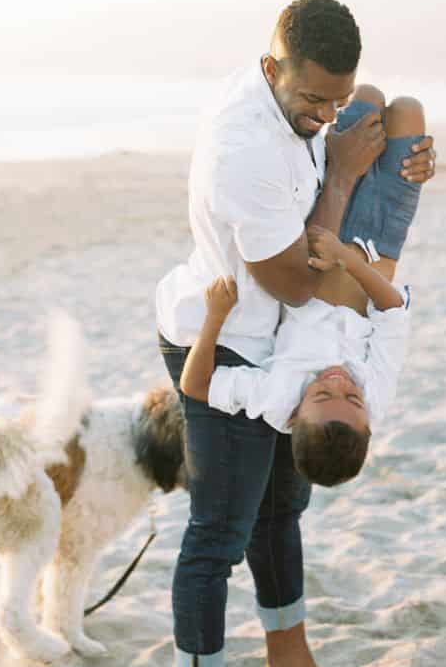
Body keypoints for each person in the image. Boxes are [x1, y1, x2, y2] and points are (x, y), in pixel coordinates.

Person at [154, 0, 435, 667]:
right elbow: (296, 282)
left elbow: (361, 134)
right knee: (217, 536)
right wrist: (345, 174)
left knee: (283, 508)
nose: (326, 113)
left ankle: (289, 665)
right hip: (235, 340)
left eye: (336, 98)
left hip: (278, 335)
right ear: (271, 70)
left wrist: (395, 159)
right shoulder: (242, 149)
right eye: (313, 100)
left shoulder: (307, 105)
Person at [178, 94, 423, 488]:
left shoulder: (275, 397)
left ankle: (325, 138)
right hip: (382, 240)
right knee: (408, 111)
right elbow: (393, 309)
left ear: (294, 417)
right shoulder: (377, 397)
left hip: (329, 227)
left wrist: (215, 317)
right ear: (368, 423)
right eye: (353, 399)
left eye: (323, 396)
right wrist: (350, 261)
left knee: (369, 101)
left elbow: (195, 385)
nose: (340, 384)